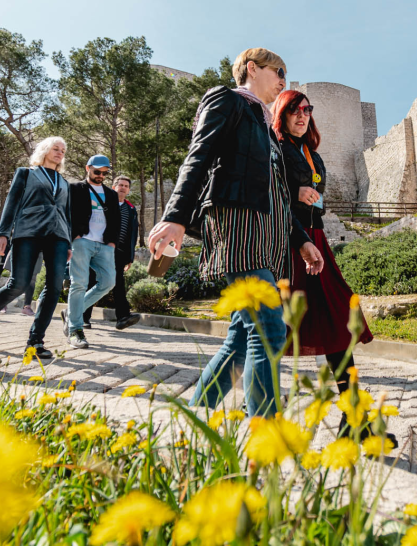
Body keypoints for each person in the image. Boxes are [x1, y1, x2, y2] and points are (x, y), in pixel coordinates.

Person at [149, 47, 324, 417]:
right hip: (239, 229)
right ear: (251, 68)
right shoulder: (226, 100)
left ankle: (195, 419)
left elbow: (277, 191)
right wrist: (175, 216)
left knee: (242, 341)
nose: (283, 81)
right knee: (270, 332)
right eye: (278, 71)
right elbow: (198, 156)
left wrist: (303, 240)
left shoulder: (266, 126)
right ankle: (265, 432)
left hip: (271, 237)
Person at [272, 90, 379, 437]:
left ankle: (353, 413)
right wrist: (294, 191)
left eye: (307, 110)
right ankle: (260, 410)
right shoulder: (276, 149)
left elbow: (316, 200)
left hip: (317, 242)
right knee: (268, 329)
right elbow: (269, 193)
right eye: (294, 111)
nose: (302, 116)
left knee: (337, 321)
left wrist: (311, 201)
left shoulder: (313, 156)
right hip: (288, 245)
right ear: (282, 115)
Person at [0, 137, 70, 361]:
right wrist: (3, 233)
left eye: (63, 150)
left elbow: (67, 212)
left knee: (55, 286)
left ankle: (35, 341)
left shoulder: (64, 182)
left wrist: (69, 242)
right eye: (55, 149)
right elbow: (12, 202)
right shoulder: (26, 173)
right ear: (45, 150)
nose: (59, 153)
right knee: (19, 283)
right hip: (29, 232)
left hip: (58, 235)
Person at [61, 155, 120, 349]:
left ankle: (71, 313)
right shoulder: (74, 188)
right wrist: (74, 236)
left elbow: (116, 220)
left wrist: (112, 243)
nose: (101, 176)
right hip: (82, 241)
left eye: (105, 173)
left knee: (108, 282)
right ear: (88, 168)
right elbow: (65, 212)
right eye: (97, 172)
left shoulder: (111, 194)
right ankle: (75, 329)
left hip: (104, 245)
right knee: (79, 283)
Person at [83, 175, 142, 330]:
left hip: (119, 253)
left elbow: (132, 234)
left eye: (126, 186)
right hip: (99, 249)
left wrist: (130, 257)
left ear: (128, 190)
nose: (123, 187)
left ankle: (123, 317)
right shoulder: (104, 203)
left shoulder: (131, 209)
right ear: (114, 186)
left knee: (118, 284)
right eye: (120, 184)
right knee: (90, 281)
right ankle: (82, 317)